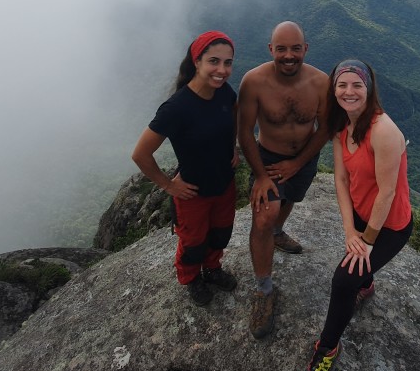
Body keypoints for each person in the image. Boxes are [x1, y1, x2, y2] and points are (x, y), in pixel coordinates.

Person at [301, 59, 414, 371]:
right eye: (342, 85)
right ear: (333, 89)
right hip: (364, 216)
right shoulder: (341, 126)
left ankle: (327, 348)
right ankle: (367, 283)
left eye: (357, 85)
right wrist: (350, 231)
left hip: (391, 225)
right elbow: (339, 177)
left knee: (343, 280)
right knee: (357, 268)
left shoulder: (384, 131)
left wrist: (365, 241)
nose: (349, 92)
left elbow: (388, 192)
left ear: (369, 89)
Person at [131, 31, 240, 307]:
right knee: (193, 243)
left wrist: (234, 148)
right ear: (197, 62)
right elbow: (141, 154)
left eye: (227, 63)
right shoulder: (177, 108)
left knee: (220, 233)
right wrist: (168, 185)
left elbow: (232, 119)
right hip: (193, 193)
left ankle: (212, 268)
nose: (222, 70)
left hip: (224, 185)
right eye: (214, 61)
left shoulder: (225, 93)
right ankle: (191, 278)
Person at [237, 21, 330, 339]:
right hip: (268, 159)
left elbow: (326, 128)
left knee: (292, 198)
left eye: (295, 48)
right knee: (263, 217)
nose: (288, 56)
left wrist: (298, 163)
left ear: (305, 48)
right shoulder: (254, 82)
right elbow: (245, 131)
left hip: (303, 158)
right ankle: (263, 291)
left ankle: (278, 233)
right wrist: (262, 175)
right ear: (270, 50)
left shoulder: (321, 83)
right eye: (281, 49)